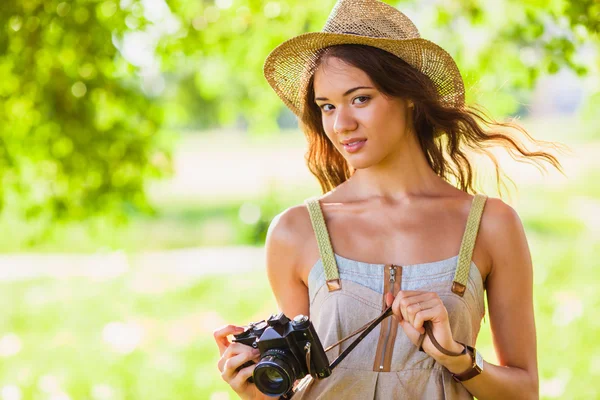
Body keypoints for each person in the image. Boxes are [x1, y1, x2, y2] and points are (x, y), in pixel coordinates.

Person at [214, 0, 564, 398]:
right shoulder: (295, 231)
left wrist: (458, 359)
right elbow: (296, 388)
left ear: (409, 95)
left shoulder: (490, 224)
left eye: (360, 99)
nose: (341, 124)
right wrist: (258, 389)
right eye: (327, 106)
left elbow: (525, 391)